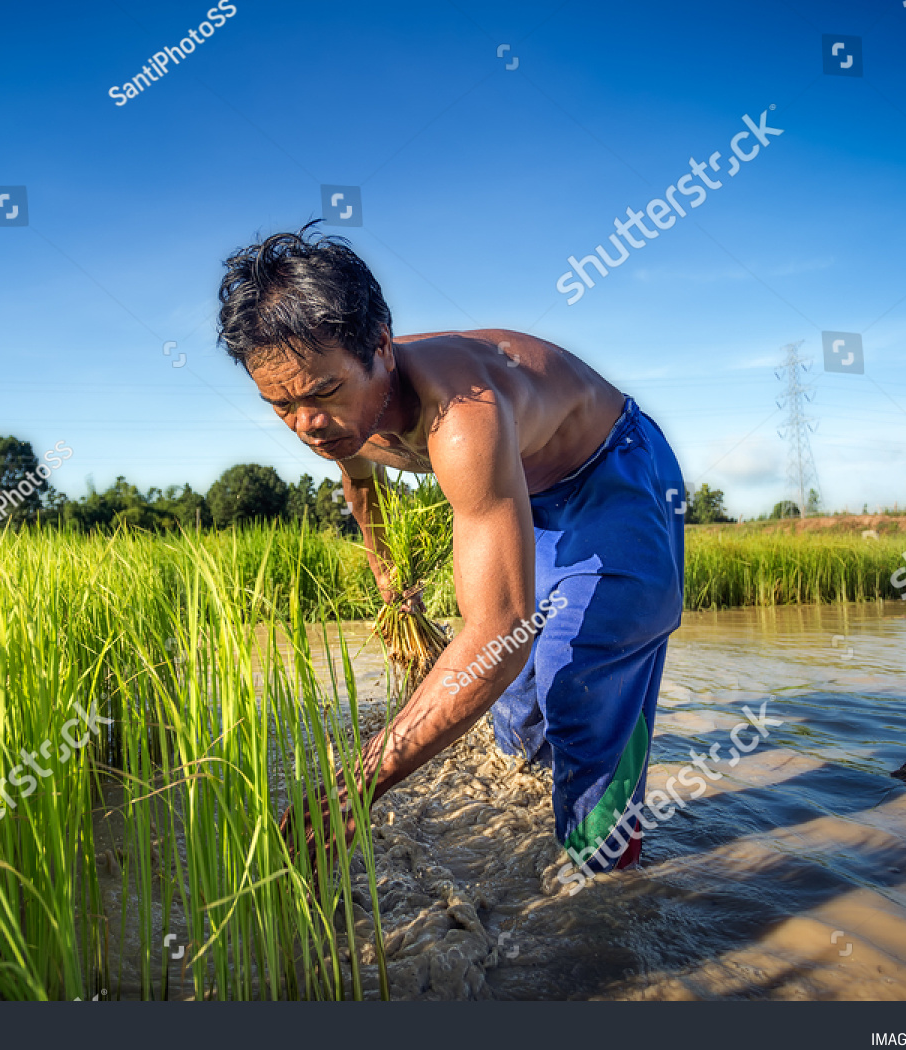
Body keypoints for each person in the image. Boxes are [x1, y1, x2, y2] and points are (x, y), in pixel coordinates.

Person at [216, 222, 685, 876]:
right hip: (529, 489)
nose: (308, 426)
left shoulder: (460, 416)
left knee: (574, 669)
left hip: (615, 473)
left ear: (380, 347)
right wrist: (388, 583)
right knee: (515, 702)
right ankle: (546, 785)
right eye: (281, 405)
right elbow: (362, 486)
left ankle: (607, 880)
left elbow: (501, 625)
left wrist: (360, 783)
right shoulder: (335, 409)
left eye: (323, 394)